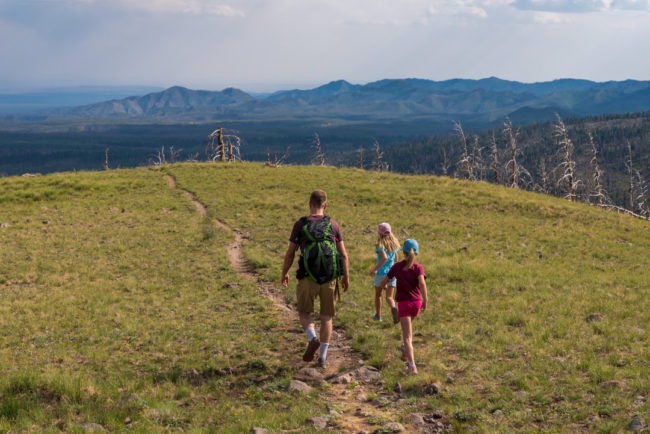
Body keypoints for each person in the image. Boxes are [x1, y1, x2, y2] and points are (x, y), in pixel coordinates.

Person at [281, 190, 350, 368]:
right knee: (327, 317)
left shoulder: (300, 225)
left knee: (304, 312)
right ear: (325, 206)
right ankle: (323, 357)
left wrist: (285, 272)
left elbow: (290, 253)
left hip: (307, 277)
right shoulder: (333, 225)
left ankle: (312, 338)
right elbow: (343, 255)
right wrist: (345, 277)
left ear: (309, 204)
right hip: (329, 277)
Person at [380, 239, 428, 375]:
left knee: (407, 336)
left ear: (403, 252)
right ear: (416, 253)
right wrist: (425, 299)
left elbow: (384, 282)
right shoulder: (419, 268)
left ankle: (412, 365)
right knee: (409, 329)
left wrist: (384, 287)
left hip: (404, 304)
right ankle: (404, 349)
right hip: (416, 303)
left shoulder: (396, 267)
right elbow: (422, 284)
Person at [369, 223, 399, 323]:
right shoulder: (394, 243)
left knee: (378, 295)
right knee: (389, 297)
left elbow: (384, 257)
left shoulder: (380, 244)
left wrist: (375, 269)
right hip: (392, 273)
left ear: (379, 232)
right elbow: (396, 257)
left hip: (381, 273)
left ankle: (378, 315)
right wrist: (395, 265)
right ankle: (393, 308)